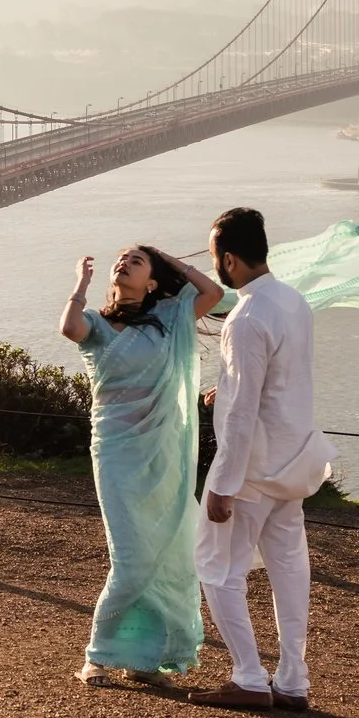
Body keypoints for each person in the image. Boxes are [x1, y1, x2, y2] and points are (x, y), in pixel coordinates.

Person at [190, 205, 335, 713]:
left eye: (215, 258)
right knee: (289, 567)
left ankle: (249, 676)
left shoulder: (246, 316)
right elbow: (280, 377)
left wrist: (222, 484)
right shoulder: (293, 301)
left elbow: (243, 411)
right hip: (294, 460)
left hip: (251, 469)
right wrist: (226, 389)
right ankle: (293, 680)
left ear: (229, 260)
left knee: (216, 567)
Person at [61, 242, 226, 687]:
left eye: (136, 261)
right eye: (121, 260)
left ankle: (145, 659)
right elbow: (69, 327)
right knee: (132, 557)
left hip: (162, 451)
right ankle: (97, 656)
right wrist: (81, 284)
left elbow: (212, 294)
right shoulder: (97, 323)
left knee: (163, 552)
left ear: (152, 283)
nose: (124, 263)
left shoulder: (168, 317)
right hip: (115, 451)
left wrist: (170, 261)